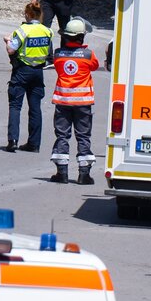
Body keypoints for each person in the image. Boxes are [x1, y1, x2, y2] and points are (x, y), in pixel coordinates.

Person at [49, 18, 100, 184]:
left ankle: (62, 173)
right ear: (81, 37)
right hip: (83, 104)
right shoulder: (88, 55)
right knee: (83, 136)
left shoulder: (58, 54)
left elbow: (58, 66)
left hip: (63, 103)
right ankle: (84, 173)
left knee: (62, 135)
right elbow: (94, 66)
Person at [3, 0, 52, 152]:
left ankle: (13, 140)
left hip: (22, 70)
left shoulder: (23, 30)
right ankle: (34, 144)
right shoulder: (47, 31)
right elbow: (49, 53)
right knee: (35, 107)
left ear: (28, 14)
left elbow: (11, 50)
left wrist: (7, 40)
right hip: (38, 72)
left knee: (15, 105)